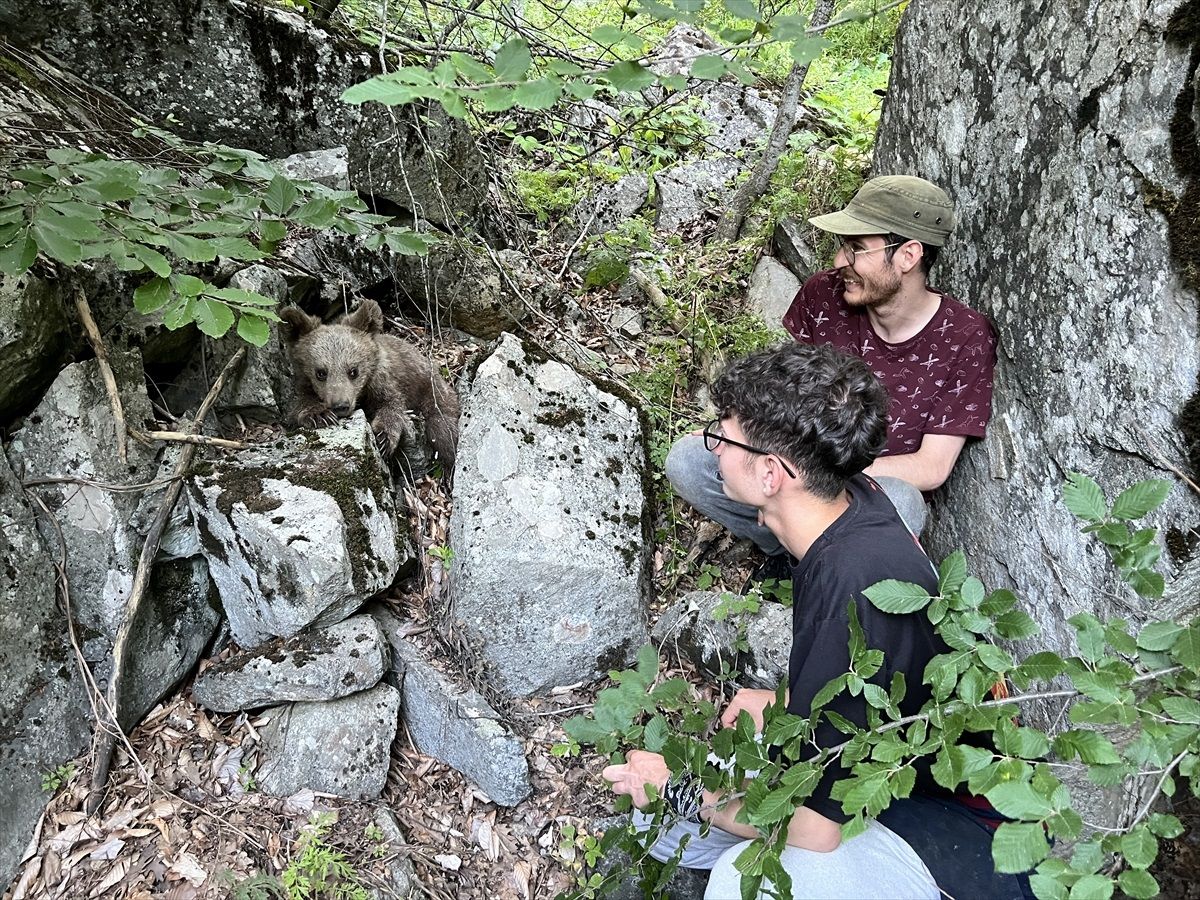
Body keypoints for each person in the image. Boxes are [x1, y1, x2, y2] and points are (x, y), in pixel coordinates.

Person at [603, 344, 1032, 900]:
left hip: (965, 834)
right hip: (892, 761)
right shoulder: (852, 504)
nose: (713, 450)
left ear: (771, 473)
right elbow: (881, 681)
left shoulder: (852, 591)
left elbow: (815, 827)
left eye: (722, 437)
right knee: (660, 823)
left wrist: (681, 791)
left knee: (739, 879)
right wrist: (784, 702)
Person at [666, 174, 996, 556]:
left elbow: (931, 467)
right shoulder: (824, 293)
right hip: (791, 462)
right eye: (843, 245)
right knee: (689, 461)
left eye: (857, 248)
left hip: (863, 486)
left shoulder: (965, 336)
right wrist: (738, 434)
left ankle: (828, 562)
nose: (840, 261)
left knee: (903, 502)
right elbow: (784, 396)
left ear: (908, 255)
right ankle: (783, 548)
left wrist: (821, 473)